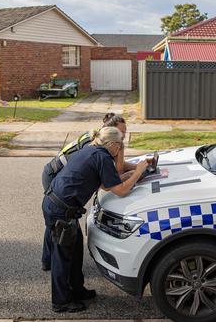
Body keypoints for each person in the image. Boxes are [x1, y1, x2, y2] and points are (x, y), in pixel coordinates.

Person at [43, 127, 148, 312]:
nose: (121, 149)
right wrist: (138, 171)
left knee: (75, 252)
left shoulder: (92, 150)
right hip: (61, 210)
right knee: (63, 257)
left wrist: (128, 176)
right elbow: (120, 191)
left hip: (59, 205)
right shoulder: (103, 156)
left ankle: (77, 291)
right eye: (120, 145)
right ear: (114, 145)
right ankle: (60, 302)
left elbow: (107, 184)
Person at [40, 113, 136, 271]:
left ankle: (56, 262)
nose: (124, 136)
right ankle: (49, 260)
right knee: (59, 225)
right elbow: (115, 172)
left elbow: (112, 172)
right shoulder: (95, 145)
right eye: (122, 133)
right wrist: (125, 154)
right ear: (110, 131)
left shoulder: (102, 140)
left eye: (125, 132)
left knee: (62, 224)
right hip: (54, 174)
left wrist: (138, 166)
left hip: (61, 178)